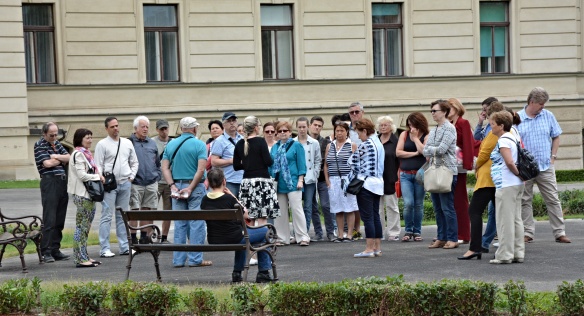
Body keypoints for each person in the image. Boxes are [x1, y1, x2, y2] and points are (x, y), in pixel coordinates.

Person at [201, 168, 274, 283]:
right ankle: (263, 272)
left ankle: (237, 273)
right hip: (235, 237)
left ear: (209, 183)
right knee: (264, 232)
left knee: (245, 236)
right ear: (224, 181)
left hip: (214, 239)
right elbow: (247, 215)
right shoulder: (229, 199)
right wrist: (233, 196)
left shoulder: (204, 200)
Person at [518, 87, 571, 243]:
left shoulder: (548, 116)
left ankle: (559, 232)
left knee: (553, 199)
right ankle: (528, 233)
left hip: (545, 166)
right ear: (531, 102)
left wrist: (553, 157)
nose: (543, 107)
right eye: (541, 104)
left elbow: (556, 137)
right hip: (526, 169)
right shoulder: (517, 118)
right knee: (524, 201)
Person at [161, 117, 212, 268]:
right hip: (194, 186)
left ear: (181, 129)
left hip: (176, 186)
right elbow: (201, 169)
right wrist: (190, 188)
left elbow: (164, 168)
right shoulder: (199, 144)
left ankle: (178, 260)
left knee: (180, 223)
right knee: (196, 223)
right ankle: (195, 258)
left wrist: (172, 185)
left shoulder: (171, 144)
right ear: (195, 129)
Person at [458, 103, 504, 260]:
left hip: (487, 178)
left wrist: (474, 165)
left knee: (474, 211)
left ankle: (475, 248)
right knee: (501, 213)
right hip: (496, 178)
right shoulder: (505, 132)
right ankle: (504, 245)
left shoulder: (493, 133)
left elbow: (484, 153)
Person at [94, 117, 138, 258]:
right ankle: (104, 248)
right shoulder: (102, 144)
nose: (116, 128)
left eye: (117, 125)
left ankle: (125, 246)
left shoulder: (127, 143)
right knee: (106, 216)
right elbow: (98, 164)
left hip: (125, 182)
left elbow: (134, 162)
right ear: (107, 128)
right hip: (109, 184)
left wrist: (131, 177)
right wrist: (101, 177)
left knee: (122, 216)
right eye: (112, 126)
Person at [489, 111, 526, 264]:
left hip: (506, 184)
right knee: (516, 219)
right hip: (516, 185)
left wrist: (518, 173)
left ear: (501, 126)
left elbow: (509, 162)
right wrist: (521, 176)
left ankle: (505, 255)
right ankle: (518, 252)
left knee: (505, 220)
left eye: (492, 124)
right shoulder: (513, 137)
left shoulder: (503, 140)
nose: (490, 126)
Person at [423, 100, 458, 249]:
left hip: (447, 171)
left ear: (444, 112)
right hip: (434, 171)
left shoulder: (449, 128)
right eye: (431, 110)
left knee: (447, 207)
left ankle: (452, 238)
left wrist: (431, 149)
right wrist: (431, 149)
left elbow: (442, 149)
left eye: (434, 110)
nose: (432, 113)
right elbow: (425, 150)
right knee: (437, 208)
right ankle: (441, 236)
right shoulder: (434, 129)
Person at [34, 122, 71, 263]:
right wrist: (59, 159)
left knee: (60, 218)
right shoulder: (39, 145)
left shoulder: (56, 143)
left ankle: (55, 249)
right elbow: (47, 164)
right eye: (51, 135)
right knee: (50, 218)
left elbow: (69, 157)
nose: (54, 137)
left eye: (56, 134)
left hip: (62, 181)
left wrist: (55, 156)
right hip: (50, 182)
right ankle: (46, 251)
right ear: (44, 134)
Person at [233, 116, 279, 225]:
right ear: (255, 128)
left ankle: (251, 239)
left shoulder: (239, 143)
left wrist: (248, 165)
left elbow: (235, 166)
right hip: (262, 181)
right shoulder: (261, 141)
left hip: (247, 182)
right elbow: (268, 161)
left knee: (249, 215)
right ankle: (262, 238)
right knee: (262, 215)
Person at [68, 128, 104, 267]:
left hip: (87, 196)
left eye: (90, 137)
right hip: (83, 195)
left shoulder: (86, 154)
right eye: (87, 137)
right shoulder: (79, 155)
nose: (90, 140)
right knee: (82, 228)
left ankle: (84, 256)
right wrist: (98, 177)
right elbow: (82, 175)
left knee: (84, 227)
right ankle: (80, 259)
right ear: (80, 139)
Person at [270, 121, 310, 246]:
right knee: (280, 212)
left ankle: (303, 236)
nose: (282, 133)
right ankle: (282, 238)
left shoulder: (296, 145)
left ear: (289, 132)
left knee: (297, 209)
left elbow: (301, 164)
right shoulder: (275, 147)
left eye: (285, 131)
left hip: (293, 182)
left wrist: (300, 180)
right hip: (279, 183)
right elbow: (271, 165)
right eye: (280, 131)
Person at [350, 118, 385, 258]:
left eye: (359, 133)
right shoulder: (379, 142)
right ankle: (377, 248)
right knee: (375, 216)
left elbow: (351, 161)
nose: (358, 136)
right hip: (378, 183)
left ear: (365, 131)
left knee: (368, 217)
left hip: (366, 184)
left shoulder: (366, 145)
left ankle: (369, 248)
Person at [448, 98, 480, 244]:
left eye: (449, 107)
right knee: (451, 201)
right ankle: (454, 233)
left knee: (460, 200)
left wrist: (468, 164)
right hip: (449, 165)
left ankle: (464, 234)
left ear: (456, 108)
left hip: (459, 166)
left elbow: (468, 143)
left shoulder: (463, 123)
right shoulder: (448, 124)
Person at [128, 116, 161, 245]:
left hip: (151, 181)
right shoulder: (129, 142)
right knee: (134, 211)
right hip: (136, 182)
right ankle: (132, 238)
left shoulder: (152, 143)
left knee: (147, 210)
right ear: (136, 128)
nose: (146, 129)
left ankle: (144, 237)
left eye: (147, 126)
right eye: (143, 126)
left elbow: (157, 162)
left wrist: (157, 175)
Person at [396, 113, 428, 242]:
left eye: (413, 124)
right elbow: (398, 152)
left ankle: (417, 231)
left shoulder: (427, 135)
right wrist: (415, 153)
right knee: (408, 203)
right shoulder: (404, 134)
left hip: (420, 175)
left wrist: (415, 139)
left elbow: (425, 151)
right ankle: (408, 230)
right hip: (405, 174)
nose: (411, 127)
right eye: (409, 124)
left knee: (418, 204)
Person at [324, 121, 358, 243]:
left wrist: (352, 180)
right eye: (337, 131)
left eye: (342, 131)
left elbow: (356, 164)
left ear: (347, 132)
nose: (339, 133)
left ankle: (349, 234)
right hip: (333, 180)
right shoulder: (330, 146)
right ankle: (340, 234)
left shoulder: (352, 145)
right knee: (337, 208)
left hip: (346, 179)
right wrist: (327, 181)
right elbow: (326, 165)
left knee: (349, 207)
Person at [293, 117, 322, 240]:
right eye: (299, 127)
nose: (302, 129)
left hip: (309, 178)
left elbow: (317, 160)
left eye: (304, 127)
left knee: (308, 206)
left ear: (308, 126)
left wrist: (314, 174)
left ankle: (304, 233)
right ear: (296, 128)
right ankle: (297, 232)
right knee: (296, 206)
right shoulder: (293, 142)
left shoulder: (314, 143)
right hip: (296, 178)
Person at [309, 116, 336, 241]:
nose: (317, 127)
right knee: (313, 207)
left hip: (323, 179)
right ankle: (318, 233)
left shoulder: (326, 142)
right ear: (310, 125)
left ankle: (330, 232)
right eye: (315, 125)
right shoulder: (305, 141)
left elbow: (328, 162)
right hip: (310, 180)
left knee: (326, 205)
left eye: (320, 126)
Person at [376, 115, 400, 241]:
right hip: (376, 178)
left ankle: (393, 232)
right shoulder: (375, 140)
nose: (383, 127)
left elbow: (399, 159)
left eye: (385, 125)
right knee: (378, 207)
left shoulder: (396, 141)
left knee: (392, 206)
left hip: (391, 177)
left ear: (391, 127)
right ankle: (379, 232)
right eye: (381, 125)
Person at [211, 112, 244, 197]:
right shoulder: (219, 141)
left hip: (243, 179)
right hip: (229, 181)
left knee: (244, 208)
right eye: (229, 121)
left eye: (234, 120)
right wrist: (231, 161)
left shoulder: (242, 138)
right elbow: (214, 162)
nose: (232, 123)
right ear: (223, 125)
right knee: (231, 208)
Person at [152, 119, 172, 243]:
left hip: (170, 181)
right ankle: (150, 234)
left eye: (165, 129)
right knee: (151, 209)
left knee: (168, 211)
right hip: (156, 181)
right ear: (157, 130)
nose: (164, 132)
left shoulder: (173, 142)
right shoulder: (152, 142)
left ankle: (164, 237)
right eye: (161, 129)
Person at [347, 102, 364, 240]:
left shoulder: (367, 128)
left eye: (356, 112)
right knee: (351, 201)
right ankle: (350, 230)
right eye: (351, 112)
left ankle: (357, 228)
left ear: (362, 113)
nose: (354, 115)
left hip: (364, 168)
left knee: (360, 201)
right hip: (348, 168)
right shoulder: (345, 129)